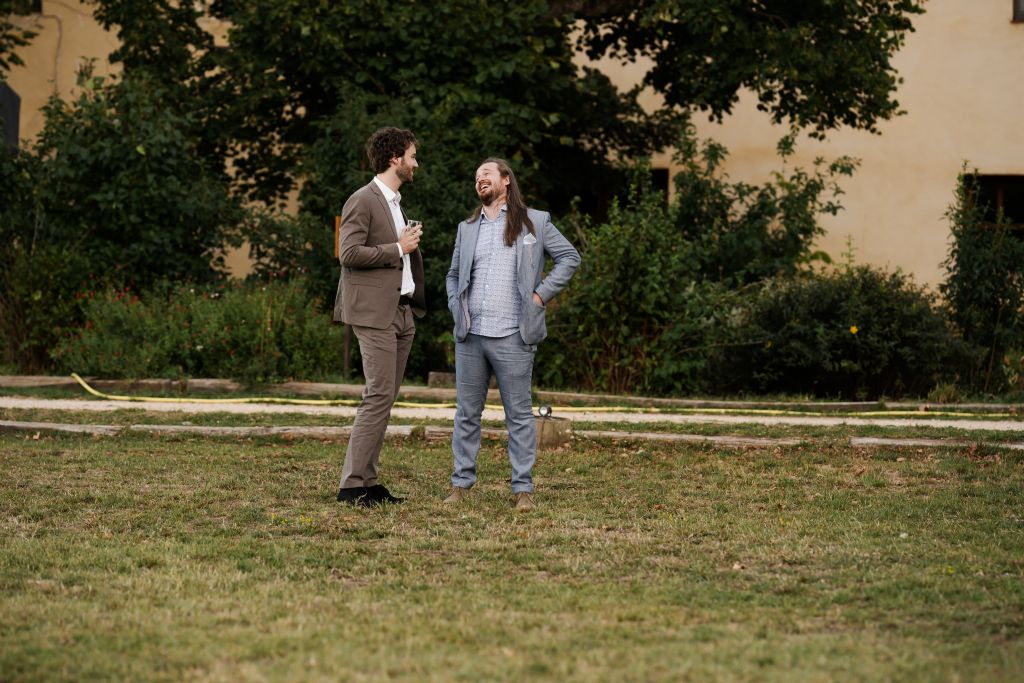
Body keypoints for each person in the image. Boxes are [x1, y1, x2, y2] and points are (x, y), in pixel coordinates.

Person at [443, 158, 580, 511]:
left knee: (518, 416)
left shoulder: (535, 221)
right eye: (476, 176)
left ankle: (523, 489)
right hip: (471, 336)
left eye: (486, 174)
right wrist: (456, 305)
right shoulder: (466, 228)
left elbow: (569, 257)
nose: (480, 179)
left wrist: (540, 295)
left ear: (506, 180)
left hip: (513, 337)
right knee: (466, 414)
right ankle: (460, 484)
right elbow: (453, 274)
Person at [333, 127, 425, 507]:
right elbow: (348, 253)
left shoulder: (395, 202)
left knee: (385, 398)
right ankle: (352, 486)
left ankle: (368, 482)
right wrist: (397, 247)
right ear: (394, 158)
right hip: (374, 314)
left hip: (402, 313)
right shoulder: (363, 200)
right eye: (412, 157)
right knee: (377, 396)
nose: (416, 164)